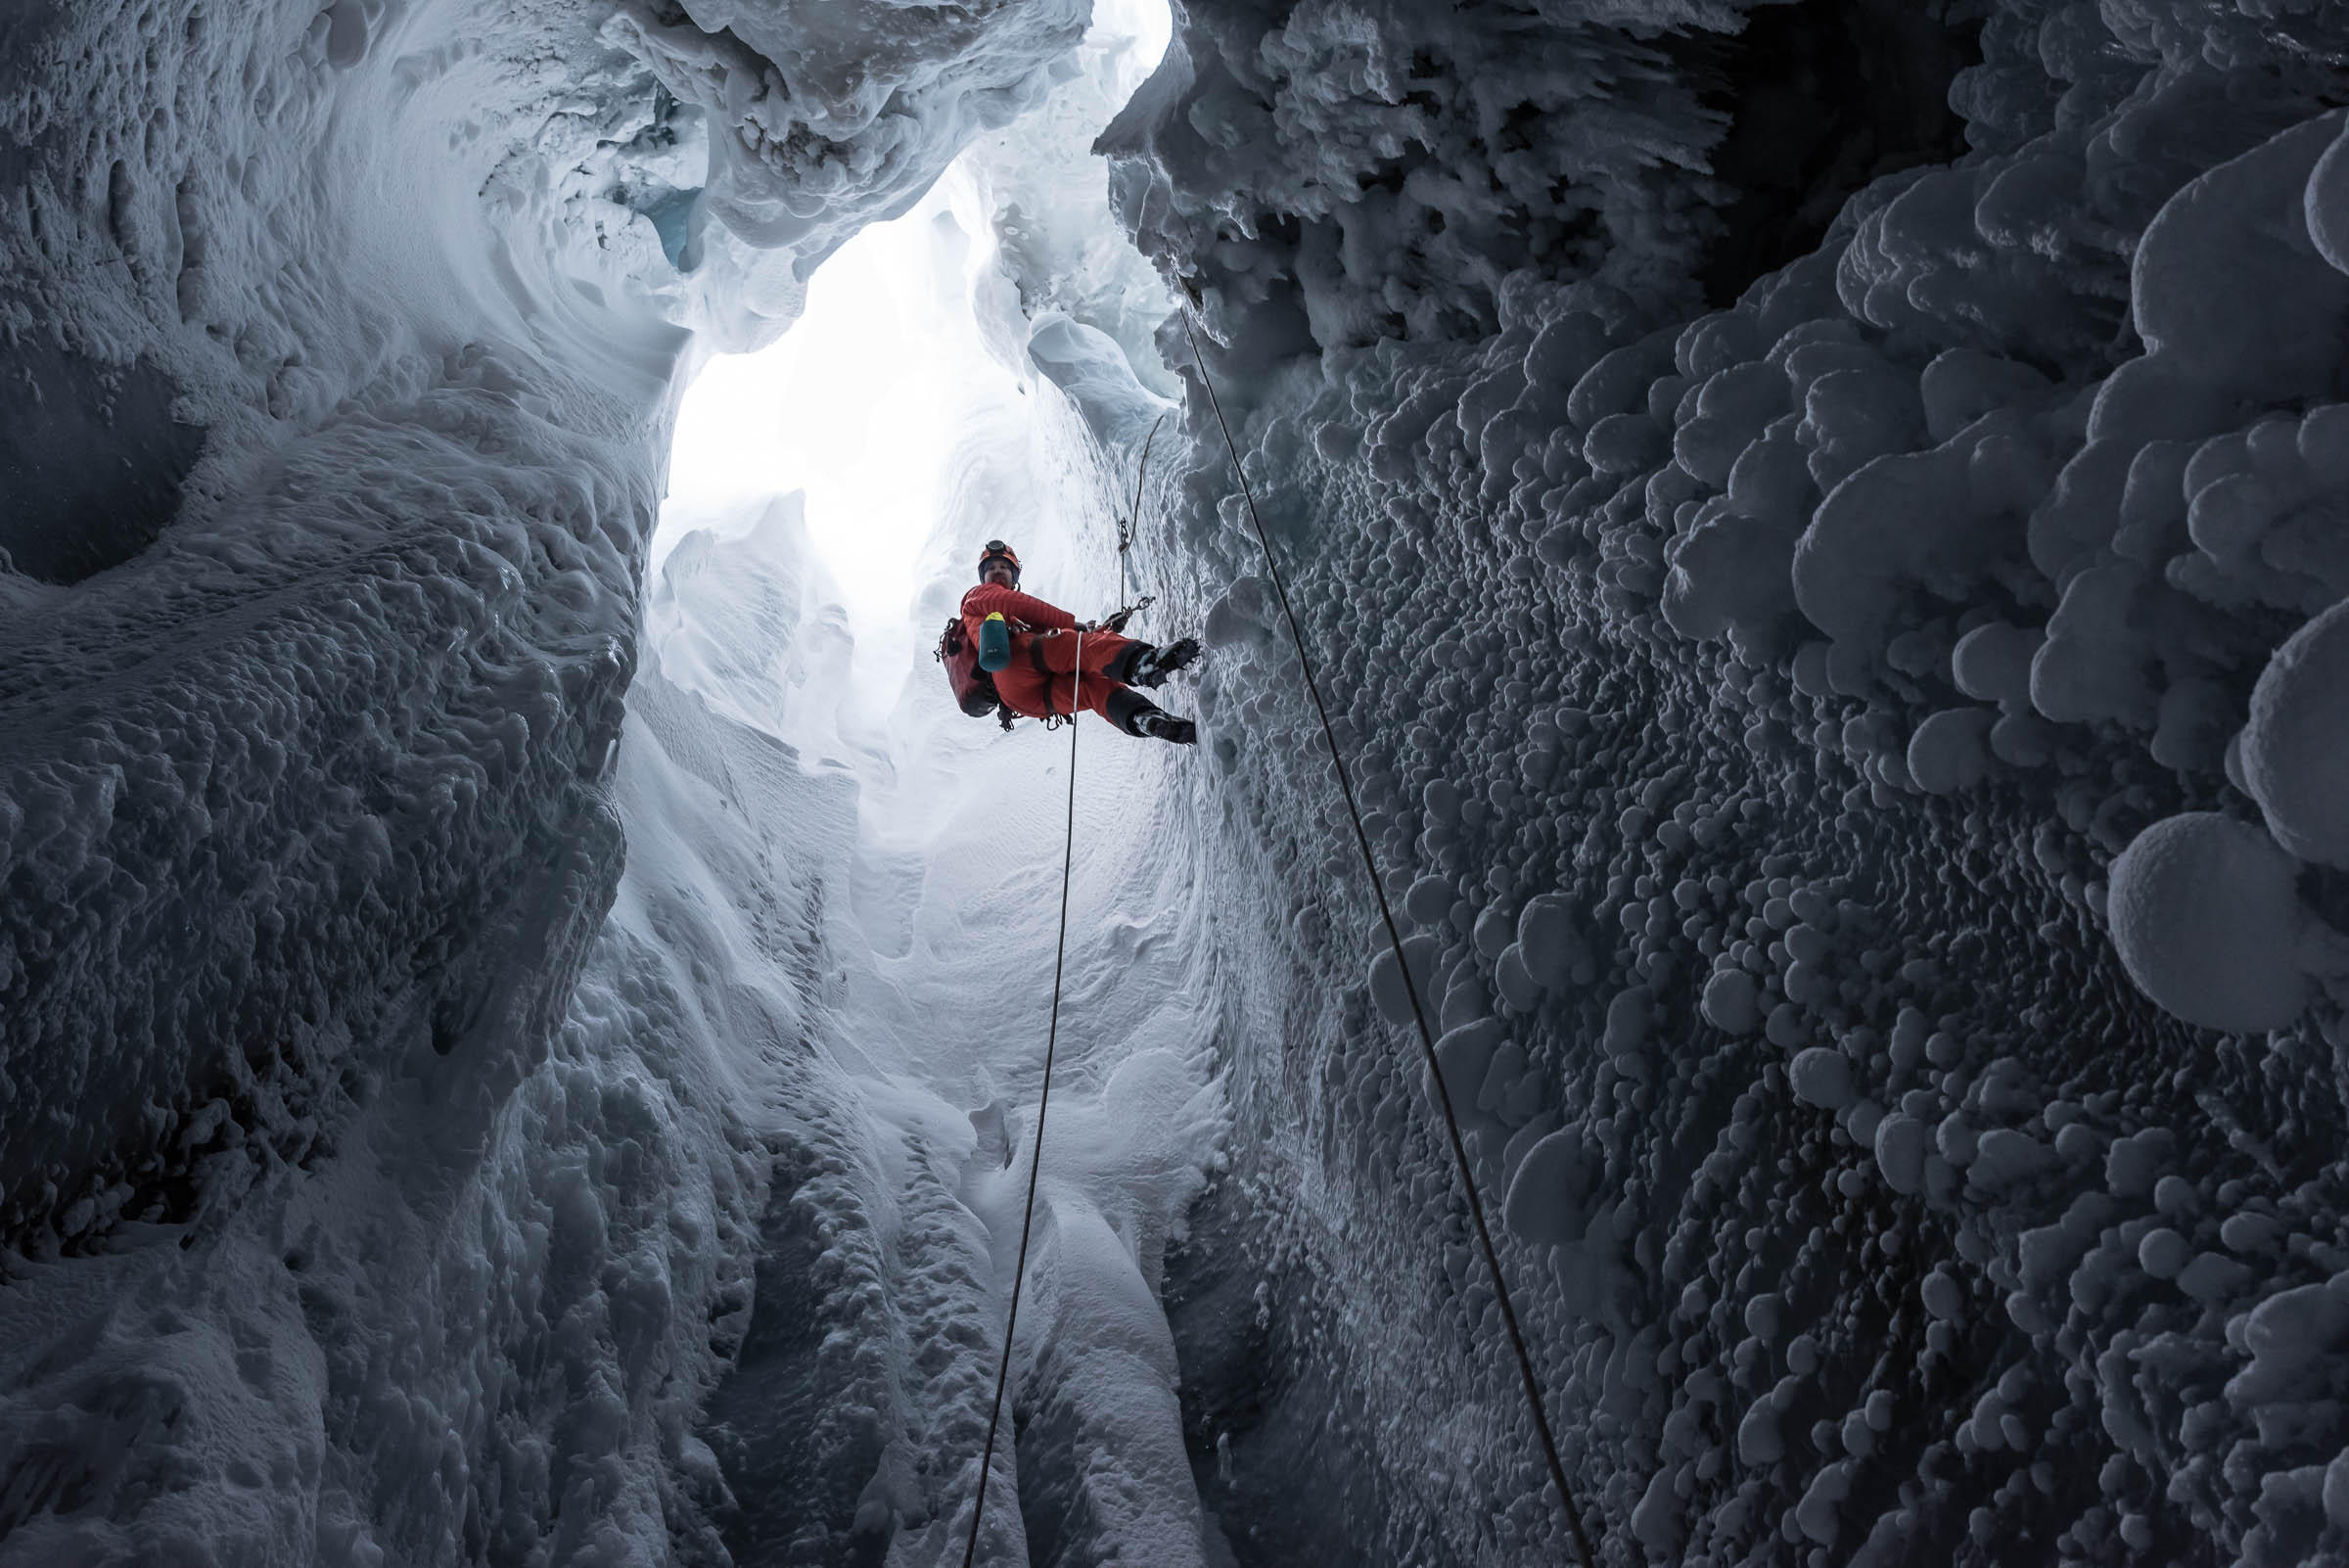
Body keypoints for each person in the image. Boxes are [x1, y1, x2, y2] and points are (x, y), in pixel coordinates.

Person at [954, 539, 1201, 742]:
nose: (997, 571)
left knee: (1091, 688)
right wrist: (1073, 625)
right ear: (982, 579)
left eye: (1003, 567)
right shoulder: (976, 596)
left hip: (1022, 697)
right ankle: (1144, 663)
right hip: (1014, 663)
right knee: (1074, 647)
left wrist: (1099, 630)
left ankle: (1144, 718)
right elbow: (1024, 606)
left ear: (1014, 574)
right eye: (991, 568)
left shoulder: (1009, 619)